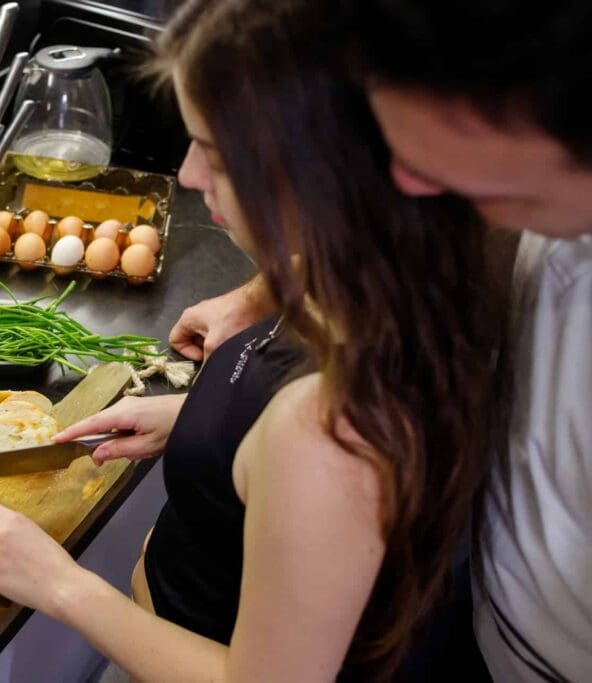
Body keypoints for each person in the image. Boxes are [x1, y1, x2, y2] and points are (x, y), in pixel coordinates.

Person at [0, 0, 501, 679]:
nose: (186, 175)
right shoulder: (390, 275)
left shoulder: (329, 433)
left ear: (319, 170)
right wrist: (202, 422)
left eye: (214, 153)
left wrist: (59, 583)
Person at [171, 3, 592, 680]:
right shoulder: (513, 221)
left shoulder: (327, 436)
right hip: (483, 627)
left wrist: (66, 589)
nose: (412, 182)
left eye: (436, 154)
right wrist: (271, 282)